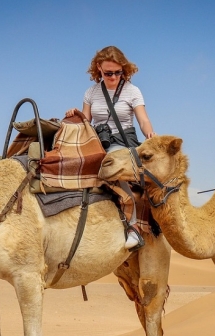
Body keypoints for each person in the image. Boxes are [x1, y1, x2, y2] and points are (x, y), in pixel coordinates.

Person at [66, 46, 157, 250]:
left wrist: (149, 133)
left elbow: (143, 119)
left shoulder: (133, 91)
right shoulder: (91, 92)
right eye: (108, 73)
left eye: (118, 72)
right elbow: (86, 122)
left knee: (112, 164)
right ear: (99, 68)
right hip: (98, 141)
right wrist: (75, 114)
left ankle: (133, 225)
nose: (114, 77)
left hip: (123, 143)